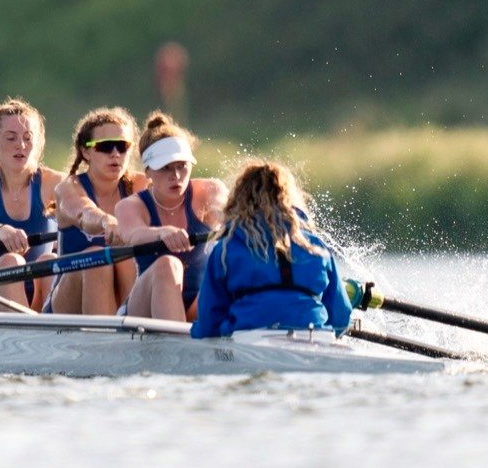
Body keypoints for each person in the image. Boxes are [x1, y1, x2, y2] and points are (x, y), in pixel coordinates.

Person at [193, 160, 353, 338]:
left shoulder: (227, 248)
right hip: (314, 337)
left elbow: (210, 320)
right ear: (289, 200)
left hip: (248, 338)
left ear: (240, 199)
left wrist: (199, 332)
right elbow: (341, 316)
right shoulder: (316, 246)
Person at [114, 112, 227, 322]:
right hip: (144, 307)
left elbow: (234, 218)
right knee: (169, 264)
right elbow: (133, 234)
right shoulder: (130, 206)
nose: (175, 176)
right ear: (147, 171)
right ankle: (179, 350)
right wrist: (162, 233)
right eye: (165, 168)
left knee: (227, 265)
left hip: (196, 304)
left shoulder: (210, 191)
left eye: (181, 166)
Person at [0, 99, 65, 311]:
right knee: (11, 262)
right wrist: (2, 231)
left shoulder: (55, 183)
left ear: (38, 142)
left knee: (48, 260)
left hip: (39, 292)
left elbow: (82, 210)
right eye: (11, 138)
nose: (21, 145)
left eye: (28, 138)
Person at [51, 106, 143, 315]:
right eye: (105, 147)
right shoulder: (68, 188)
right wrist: (106, 222)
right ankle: (106, 340)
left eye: (122, 146)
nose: (115, 154)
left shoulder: (141, 186)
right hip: (68, 304)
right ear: (85, 152)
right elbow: (83, 213)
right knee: (98, 258)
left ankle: (130, 329)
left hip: (124, 291)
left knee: (130, 259)